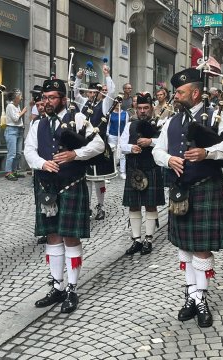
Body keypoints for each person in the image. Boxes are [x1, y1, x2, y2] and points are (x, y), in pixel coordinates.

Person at [153, 68, 223, 328]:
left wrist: (208, 153)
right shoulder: (171, 120)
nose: (175, 96)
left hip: (206, 187)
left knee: (201, 247)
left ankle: (201, 298)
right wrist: (169, 159)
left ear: (195, 92)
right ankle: (190, 295)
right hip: (181, 190)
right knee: (184, 246)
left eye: (179, 92)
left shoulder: (216, 115)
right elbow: (157, 150)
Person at [24, 79, 104, 313]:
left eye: (52, 98)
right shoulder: (37, 125)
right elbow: (28, 151)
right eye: (44, 98)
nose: (47, 102)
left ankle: (71, 288)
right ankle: (57, 286)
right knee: (52, 237)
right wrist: (41, 163)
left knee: (70, 237)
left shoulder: (77, 118)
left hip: (71, 185)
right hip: (48, 188)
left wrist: (75, 154)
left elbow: (98, 145)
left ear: (63, 99)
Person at [121, 92, 164, 255]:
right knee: (134, 205)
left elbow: (166, 144)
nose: (143, 111)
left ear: (151, 108)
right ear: (135, 108)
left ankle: (149, 239)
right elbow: (121, 144)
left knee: (150, 204)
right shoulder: (129, 125)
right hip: (134, 169)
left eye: (146, 107)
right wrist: (130, 147)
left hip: (151, 168)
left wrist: (150, 142)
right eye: (140, 108)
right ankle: (136, 239)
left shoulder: (160, 125)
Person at [74, 64, 115, 220]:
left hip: (99, 146)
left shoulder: (104, 105)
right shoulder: (83, 103)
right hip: (84, 145)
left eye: (94, 92)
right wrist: (78, 78)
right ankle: (87, 206)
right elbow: (75, 93)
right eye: (90, 92)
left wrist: (107, 75)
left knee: (99, 179)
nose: (91, 95)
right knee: (86, 179)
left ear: (99, 94)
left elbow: (111, 92)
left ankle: (101, 206)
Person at [4, 89, 27, 181]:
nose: (21, 98)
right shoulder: (10, 106)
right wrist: (23, 112)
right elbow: (15, 118)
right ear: (15, 98)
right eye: (20, 96)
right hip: (11, 130)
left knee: (18, 153)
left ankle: (14, 171)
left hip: (19, 130)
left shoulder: (17, 106)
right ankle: (8, 172)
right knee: (12, 153)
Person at [108, 101, 128, 179]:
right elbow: (108, 124)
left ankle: (122, 171)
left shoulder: (125, 113)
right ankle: (111, 171)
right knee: (111, 153)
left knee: (122, 154)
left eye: (119, 103)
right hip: (112, 135)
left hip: (122, 136)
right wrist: (107, 133)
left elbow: (126, 125)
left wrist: (126, 135)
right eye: (116, 103)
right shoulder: (110, 113)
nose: (118, 104)